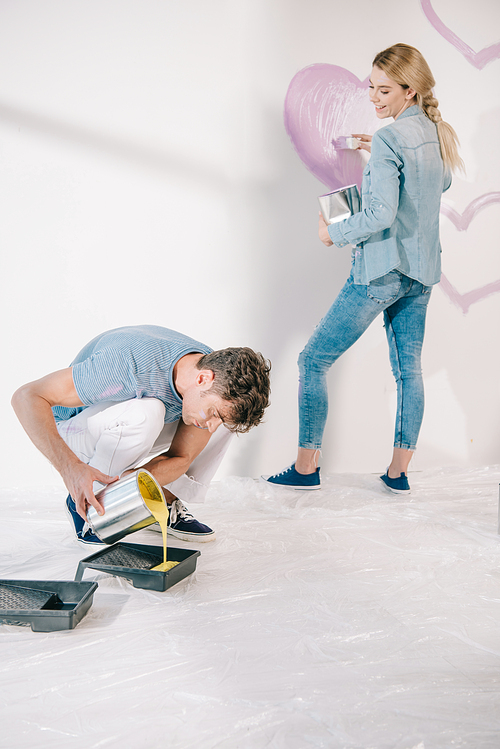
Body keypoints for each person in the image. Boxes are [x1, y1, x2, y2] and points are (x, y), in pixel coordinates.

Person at [262, 43, 462, 495]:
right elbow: (440, 182)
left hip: (381, 270)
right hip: (422, 271)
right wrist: (385, 158)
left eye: (384, 90)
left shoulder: (393, 138)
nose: (373, 97)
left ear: (410, 91)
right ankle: (397, 474)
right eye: (371, 86)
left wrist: (333, 233)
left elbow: (380, 216)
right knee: (408, 370)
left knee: (312, 360)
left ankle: (306, 468)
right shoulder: (433, 131)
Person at [12, 325, 271, 544]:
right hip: (71, 431)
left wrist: (134, 484)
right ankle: (90, 506)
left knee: (225, 422)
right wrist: (71, 469)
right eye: (213, 412)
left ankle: (163, 501)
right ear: (203, 379)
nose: (211, 425)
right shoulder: (127, 365)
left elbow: (181, 458)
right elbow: (26, 397)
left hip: (126, 428)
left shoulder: (209, 373)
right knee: (147, 411)